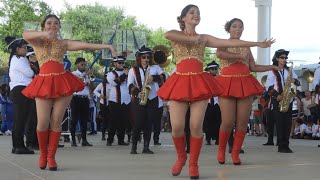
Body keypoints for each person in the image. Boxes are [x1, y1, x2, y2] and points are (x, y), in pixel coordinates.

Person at [156, 6, 274, 179]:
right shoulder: (176, 34)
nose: (196, 15)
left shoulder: (205, 38)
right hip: (180, 81)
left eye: (198, 13)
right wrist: (193, 39)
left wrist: (257, 44)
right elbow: (167, 35)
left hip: (198, 82)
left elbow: (231, 43)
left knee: (196, 126)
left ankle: (193, 164)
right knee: (177, 127)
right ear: (183, 19)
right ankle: (181, 157)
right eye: (192, 13)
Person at [22, 14, 116, 171]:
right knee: (43, 122)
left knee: (57, 120)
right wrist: (44, 34)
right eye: (49, 23)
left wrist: (106, 46)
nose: (53, 26)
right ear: (44, 26)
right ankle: (43, 154)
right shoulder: (37, 41)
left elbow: (85, 45)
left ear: (59, 27)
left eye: (56, 23)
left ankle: (51, 157)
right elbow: (25, 35)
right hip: (44, 81)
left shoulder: (63, 43)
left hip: (62, 82)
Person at [215, 18, 278, 165]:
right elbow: (220, 54)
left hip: (244, 82)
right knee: (228, 121)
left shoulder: (246, 47)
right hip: (227, 83)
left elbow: (253, 67)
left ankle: (236, 153)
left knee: (242, 122)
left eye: (240, 27)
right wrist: (237, 56)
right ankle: (221, 150)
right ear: (228, 29)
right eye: (234, 26)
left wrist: (272, 67)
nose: (238, 29)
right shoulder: (222, 43)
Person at [127, 45, 166, 154]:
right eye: (144, 57)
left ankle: (146, 147)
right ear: (139, 58)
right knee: (138, 124)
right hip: (139, 99)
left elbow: (165, 78)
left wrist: (154, 78)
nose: (146, 59)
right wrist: (137, 93)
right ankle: (134, 146)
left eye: (148, 57)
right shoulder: (133, 70)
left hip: (152, 98)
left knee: (149, 124)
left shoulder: (155, 68)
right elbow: (129, 85)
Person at [4, 36, 37, 155]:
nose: (26, 49)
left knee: (20, 119)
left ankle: (17, 146)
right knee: (21, 120)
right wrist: (32, 65)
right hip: (21, 91)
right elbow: (29, 73)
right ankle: (19, 146)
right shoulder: (20, 59)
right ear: (17, 49)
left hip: (20, 91)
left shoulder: (16, 58)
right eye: (23, 47)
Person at [264, 49, 299, 153]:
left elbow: (297, 82)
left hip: (289, 99)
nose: (285, 60)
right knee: (280, 123)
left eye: (285, 58)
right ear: (277, 59)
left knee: (288, 123)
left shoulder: (289, 71)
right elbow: (268, 87)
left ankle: (286, 144)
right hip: (278, 100)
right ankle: (281, 145)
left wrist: (295, 81)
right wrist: (276, 95)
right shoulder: (272, 71)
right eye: (282, 58)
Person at [106, 56, 131, 146]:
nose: (121, 65)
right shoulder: (111, 74)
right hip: (115, 100)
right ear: (115, 63)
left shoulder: (129, 73)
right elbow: (114, 83)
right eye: (119, 63)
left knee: (123, 121)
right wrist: (124, 75)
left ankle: (121, 140)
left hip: (126, 100)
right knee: (113, 121)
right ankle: (110, 140)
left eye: (122, 63)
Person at [70, 57, 94, 147]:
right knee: (74, 120)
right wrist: (85, 75)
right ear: (77, 65)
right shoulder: (74, 74)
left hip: (85, 98)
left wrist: (90, 80)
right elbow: (76, 84)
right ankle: (73, 140)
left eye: (84, 64)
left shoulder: (86, 75)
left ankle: (84, 140)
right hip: (76, 98)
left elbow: (91, 88)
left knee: (84, 120)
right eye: (82, 64)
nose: (84, 66)